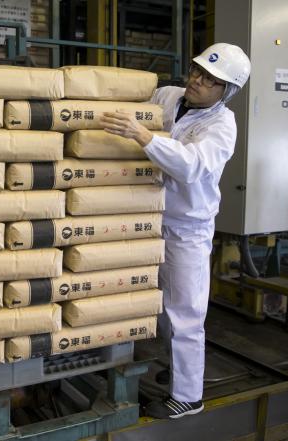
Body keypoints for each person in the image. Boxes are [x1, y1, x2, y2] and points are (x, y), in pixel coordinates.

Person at [98, 43, 251, 419]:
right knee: (160, 307)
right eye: (196, 71)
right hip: (151, 217)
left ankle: (188, 396)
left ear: (226, 90)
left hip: (188, 227)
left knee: (185, 311)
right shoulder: (168, 96)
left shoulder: (221, 125)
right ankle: (178, 365)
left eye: (209, 80)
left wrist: (143, 136)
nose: (196, 81)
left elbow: (192, 166)